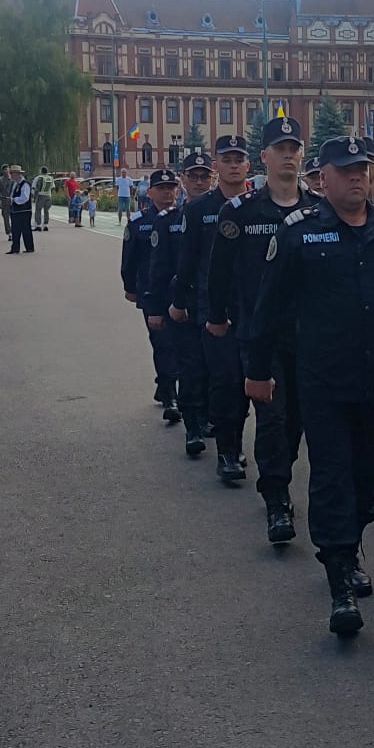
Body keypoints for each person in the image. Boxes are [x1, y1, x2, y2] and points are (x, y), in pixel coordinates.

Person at [245, 134, 374, 637]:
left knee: (368, 480)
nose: (355, 177)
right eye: (344, 170)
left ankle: (353, 538)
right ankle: (339, 575)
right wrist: (257, 371)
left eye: (362, 169)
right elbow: (268, 309)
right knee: (330, 475)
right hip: (321, 380)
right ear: (321, 178)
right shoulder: (300, 231)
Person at [206, 116, 306, 541]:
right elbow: (219, 273)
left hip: (311, 336)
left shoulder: (318, 209)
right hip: (259, 334)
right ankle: (277, 499)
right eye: (279, 148)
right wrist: (217, 316)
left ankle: (281, 475)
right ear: (263, 157)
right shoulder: (241, 212)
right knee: (271, 418)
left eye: (294, 148)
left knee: (297, 421)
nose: (287, 155)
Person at [173, 135, 250, 485]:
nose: (234, 164)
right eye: (227, 159)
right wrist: (180, 303)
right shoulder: (198, 209)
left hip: (256, 309)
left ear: (249, 164)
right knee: (225, 382)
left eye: (239, 158)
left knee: (255, 382)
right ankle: (228, 452)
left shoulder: (260, 206)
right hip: (215, 311)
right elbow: (186, 263)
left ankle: (237, 438)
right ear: (216, 165)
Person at [143, 152, 213, 454]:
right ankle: (194, 427)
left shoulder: (227, 213)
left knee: (220, 371)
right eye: (192, 176)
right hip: (182, 307)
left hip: (217, 306)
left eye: (204, 176)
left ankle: (212, 418)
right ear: (182, 180)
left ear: (213, 179)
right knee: (191, 368)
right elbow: (158, 270)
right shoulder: (169, 220)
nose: (198, 181)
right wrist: (156, 309)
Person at [121, 167, 181, 421]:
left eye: (171, 188)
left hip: (179, 292)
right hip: (151, 292)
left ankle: (165, 385)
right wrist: (130, 288)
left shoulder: (183, 218)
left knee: (181, 345)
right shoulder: (139, 222)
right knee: (162, 343)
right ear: (151, 192)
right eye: (162, 188)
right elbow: (129, 260)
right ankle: (170, 395)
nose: (168, 193)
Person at [7, 166, 35, 254]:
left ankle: (29, 247)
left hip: (24, 211)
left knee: (25, 229)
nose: (11, 175)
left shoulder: (25, 184)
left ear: (17, 174)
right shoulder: (15, 183)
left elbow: (25, 198)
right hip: (16, 210)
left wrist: (13, 199)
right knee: (15, 229)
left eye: (12, 173)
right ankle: (15, 248)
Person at [33, 166, 54, 231]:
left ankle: (38, 225)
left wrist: (34, 197)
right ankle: (45, 225)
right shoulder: (51, 178)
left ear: (41, 171)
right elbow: (52, 187)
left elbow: (36, 188)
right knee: (46, 211)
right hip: (48, 196)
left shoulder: (39, 178)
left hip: (40, 195)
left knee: (38, 210)